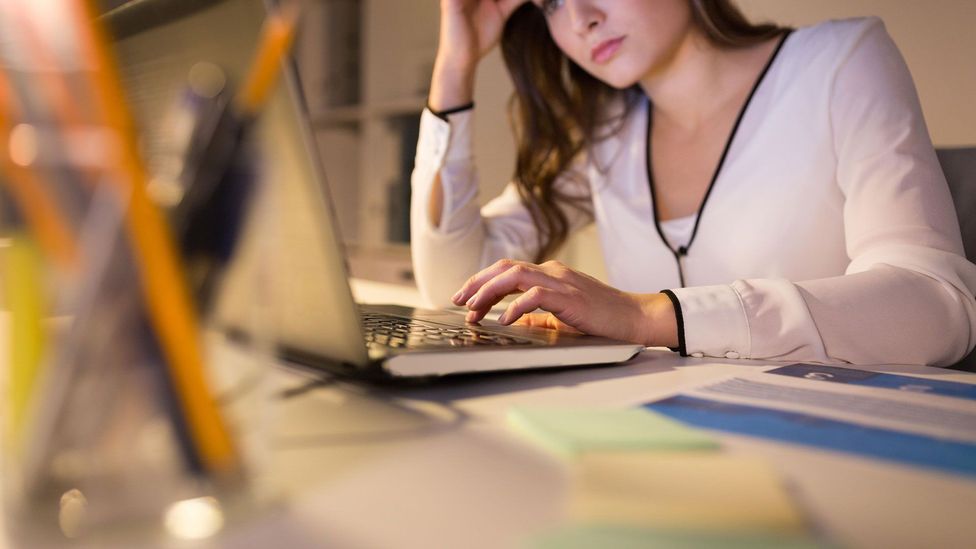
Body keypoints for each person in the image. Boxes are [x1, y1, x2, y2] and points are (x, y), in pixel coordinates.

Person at [409, 0, 976, 367]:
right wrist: (456, 62)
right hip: (665, 448)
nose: (580, 18)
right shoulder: (604, 136)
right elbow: (452, 285)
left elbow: (937, 306)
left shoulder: (839, 61)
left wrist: (648, 316)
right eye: (551, 2)